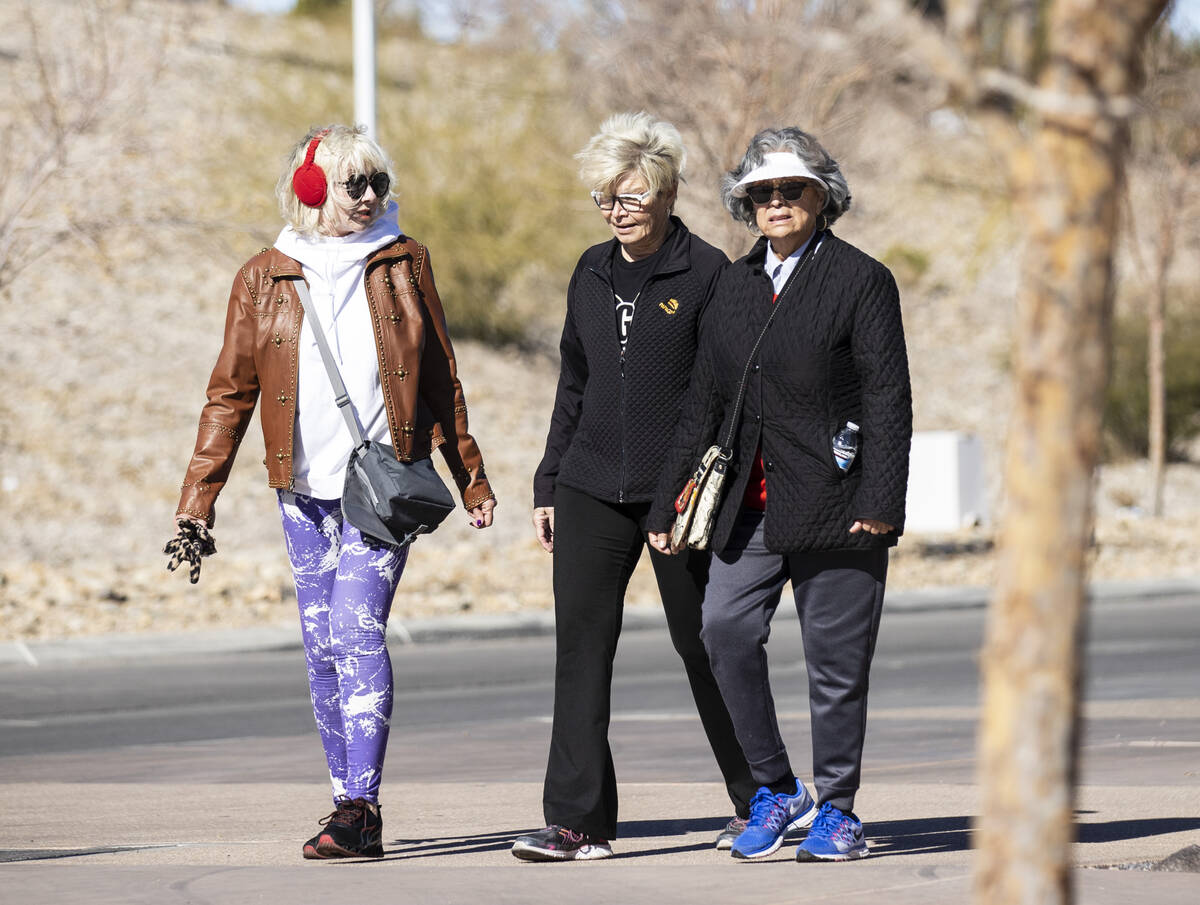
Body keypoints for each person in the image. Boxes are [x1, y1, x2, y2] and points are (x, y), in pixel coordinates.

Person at [166, 124, 496, 860]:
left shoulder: (405, 262)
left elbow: (439, 371)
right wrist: (198, 500)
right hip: (302, 490)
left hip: (380, 490)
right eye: (356, 183)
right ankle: (348, 805)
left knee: (354, 629)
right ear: (312, 189)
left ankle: (359, 804)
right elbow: (230, 392)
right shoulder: (265, 275)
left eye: (380, 182)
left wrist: (469, 471)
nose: (373, 196)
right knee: (320, 647)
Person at [648, 126, 912, 862]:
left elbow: (890, 396)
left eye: (790, 189)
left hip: (838, 500)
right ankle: (775, 786)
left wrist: (881, 499)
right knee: (723, 629)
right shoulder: (733, 284)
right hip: (748, 504)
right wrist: (669, 500)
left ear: (821, 195)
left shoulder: (862, 279)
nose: (775, 203)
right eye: (761, 192)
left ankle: (839, 808)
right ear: (745, 203)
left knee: (834, 663)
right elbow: (702, 398)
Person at [510, 112, 758, 862]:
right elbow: (574, 381)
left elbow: (718, 397)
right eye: (605, 199)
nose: (618, 212)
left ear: (667, 194)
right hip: (589, 484)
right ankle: (578, 821)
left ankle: (761, 797)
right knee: (581, 647)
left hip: (677, 495)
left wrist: (675, 493)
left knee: (703, 642)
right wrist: (549, 479)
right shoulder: (588, 270)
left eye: (631, 197)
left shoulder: (709, 272)